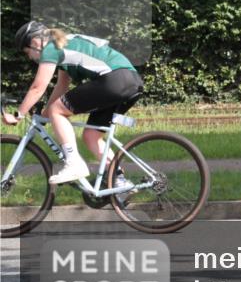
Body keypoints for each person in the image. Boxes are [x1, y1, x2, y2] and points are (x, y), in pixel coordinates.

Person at [3, 21, 144, 185]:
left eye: (27, 52)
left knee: (58, 109)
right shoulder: (64, 45)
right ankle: (118, 180)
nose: (29, 57)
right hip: (131, 81)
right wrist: (46, 113)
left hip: (114, 80)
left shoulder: (50, 48)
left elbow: (37, 87)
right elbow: (61, 86)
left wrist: (18, 115)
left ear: (35, 42)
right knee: (91, 135)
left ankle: (74, 163)